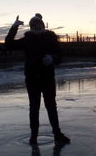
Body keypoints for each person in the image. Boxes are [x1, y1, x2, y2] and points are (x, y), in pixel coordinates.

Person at [5, 13, 70, 145]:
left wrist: (52, 58)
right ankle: (33, 136)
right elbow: (8, 44)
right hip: (32, 78)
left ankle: (57, 133)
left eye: (37, 24)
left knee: (51, 106)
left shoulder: (51, 38)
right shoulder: (27, 39)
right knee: (34, 107)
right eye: (33, 25)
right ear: (31, 26)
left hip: (47, 78)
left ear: (42, 25)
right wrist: (14, 27)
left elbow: (60, 55)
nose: (36, 26)